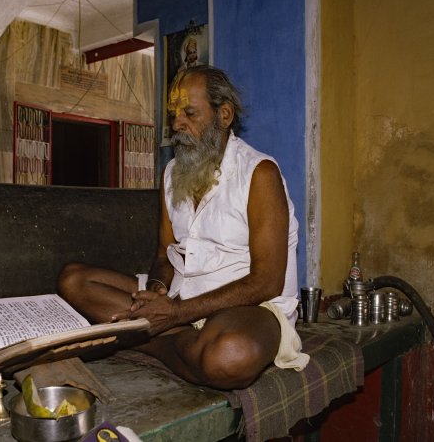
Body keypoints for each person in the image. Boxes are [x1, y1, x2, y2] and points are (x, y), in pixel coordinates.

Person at [58, 65, 308, 390]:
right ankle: (173, 339)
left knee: (230, 356)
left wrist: (175, 314)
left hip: (248, 308)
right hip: (182, 299)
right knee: (75, 280)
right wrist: (159, 290)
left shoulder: (259, 174)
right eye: (174, 115)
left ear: (225, 115)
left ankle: (142, 340)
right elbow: (164, 253)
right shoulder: (172, 173)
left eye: (189, 113)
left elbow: (267, 282)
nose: (177, 124)